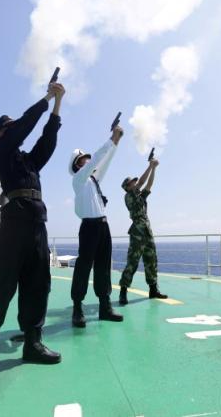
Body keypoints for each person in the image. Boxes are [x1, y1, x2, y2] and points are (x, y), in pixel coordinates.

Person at [0, 82, 65, 385]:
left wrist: (57, 103)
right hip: (12, 226)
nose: (14, 129)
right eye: (8, 127)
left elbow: (47, 141)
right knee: (2, 286)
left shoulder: (28, 162)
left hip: (37, 225)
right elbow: (23, 128)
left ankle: (33, 344)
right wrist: (46, 98)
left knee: (38, 285)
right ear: (0, 134)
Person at [68, 125, 125, 328]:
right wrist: (111, 139)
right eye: (83, 160)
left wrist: (116, 142)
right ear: (77, 165)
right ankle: (77, 308)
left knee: (103, 266)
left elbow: (104, 162)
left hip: (103, 226)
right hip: (89, 228)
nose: (87, 161)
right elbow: (96, 160)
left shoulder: (93, 180)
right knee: (83, 267)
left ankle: (104, 307)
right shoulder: (78, 179)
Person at [118, 159, 167, 305]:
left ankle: (153, 289)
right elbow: (141, 182)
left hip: (147, 231)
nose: (135, 183)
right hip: (137, 233)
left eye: (134, 182)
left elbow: (149, 185)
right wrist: (150, 166)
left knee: (151, 260)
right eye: (132, 183)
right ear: (127, 187)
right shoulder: (128, 196)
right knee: (132, 262)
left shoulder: (139, 196)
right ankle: (123, 292)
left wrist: (154, 169)